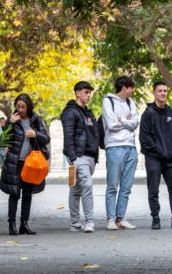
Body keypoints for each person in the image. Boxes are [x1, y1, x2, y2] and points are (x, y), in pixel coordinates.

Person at [140, 82, 172, 230]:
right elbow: (144, 138)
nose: (163, 93)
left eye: (165, 91)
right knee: (153, 189)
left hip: (170, 158)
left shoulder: (171, 112)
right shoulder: (148, 113)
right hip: (153, 158)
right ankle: (155, 218)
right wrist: (159, 151)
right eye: (160, 91)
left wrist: (170, 148)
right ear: (154, 93)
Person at [0, 93, 50, 235]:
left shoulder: (35, 120)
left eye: (23, 106)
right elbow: (6, 140)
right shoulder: (13, 120)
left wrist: (36, 135)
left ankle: (24, 224)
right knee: (14, 194)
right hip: (15, 163)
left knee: (27, 194)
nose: (20, 109)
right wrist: (10, 123)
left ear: (28, 106)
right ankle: (12, 225)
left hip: (31, 164)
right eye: (18, 106)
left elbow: (46, 138)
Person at [61, 81, 100, 233]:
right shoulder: (70, 112)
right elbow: (68, 136)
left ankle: (75, 223)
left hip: (90, 157)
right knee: (87, 185)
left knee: (75, 189)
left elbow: (94, 135)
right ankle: (89, 221)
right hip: (78, 156)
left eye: (90, 92)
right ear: (77, 93)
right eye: (86, 92)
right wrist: (73, 157)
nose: (88, 95)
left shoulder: (88, 113)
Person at [102, 75, 140, 230]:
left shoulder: (132, 103)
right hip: (114, 147)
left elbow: (135, 123)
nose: (133, 90)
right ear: (124, 87)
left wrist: (122, 120)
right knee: (113, 185)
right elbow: (111, 124)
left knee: (126, 187)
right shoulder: (108, 101)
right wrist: (127, 122)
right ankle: (110, 219)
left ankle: (120, 218)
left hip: (131, 147)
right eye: (131, 87)